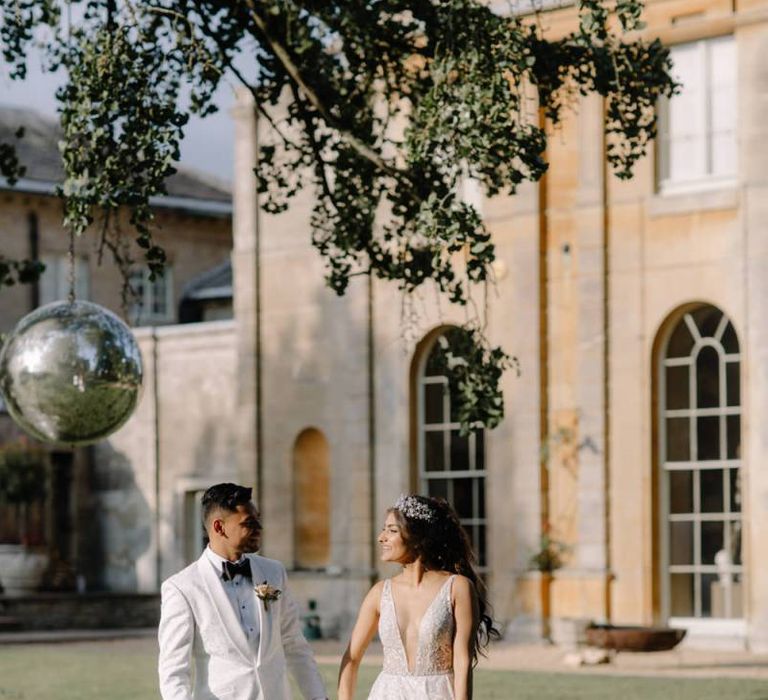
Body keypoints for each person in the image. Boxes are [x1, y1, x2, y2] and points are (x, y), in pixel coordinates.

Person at [158, 483, 328, 700]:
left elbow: (295, 645)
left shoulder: (274, 572)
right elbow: (173, 671)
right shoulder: (182, 588)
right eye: (249, 522)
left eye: (258, 519)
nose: (259, 527)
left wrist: (318, 697)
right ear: (219, 527)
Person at [338, 494, 498, 700]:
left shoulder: (457, 587)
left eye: (392, 530)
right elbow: (351, 658)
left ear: (418, 538)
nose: (381, 537)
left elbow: (462, 661)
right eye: (384, 528)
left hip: (437, 693)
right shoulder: (379, 593)